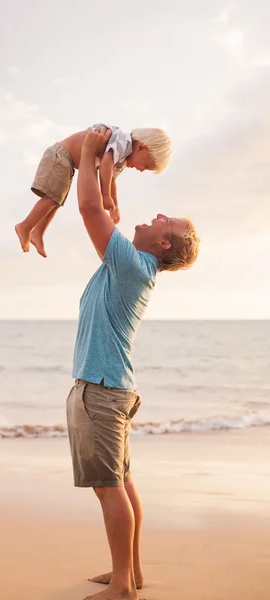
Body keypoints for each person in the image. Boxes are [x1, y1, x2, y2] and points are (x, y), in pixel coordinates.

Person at [66, 125, 200, 600]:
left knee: (110, 488)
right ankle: (132, 573)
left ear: (163, 245)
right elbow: (100, 208)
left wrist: (86, 152)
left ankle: (123, 585)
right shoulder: (130, 265)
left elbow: (87, 209)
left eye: (168, 222)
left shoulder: (131, 264)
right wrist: (106, 178)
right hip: (111, 387)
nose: (159, 214)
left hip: (102, 389)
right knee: (119, 482)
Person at [15, 123, 172, 257]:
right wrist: (105, 196)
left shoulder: (122, 159)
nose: (141, 170)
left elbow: (111, 180)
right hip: (60, 155)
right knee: (52, 198)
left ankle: (38, 232)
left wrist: (114, 205)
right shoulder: (123, 141)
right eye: (145, 166)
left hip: (68, 162)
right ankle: (25, 226)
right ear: (141, 148)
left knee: (57, 200)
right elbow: (105, 166)